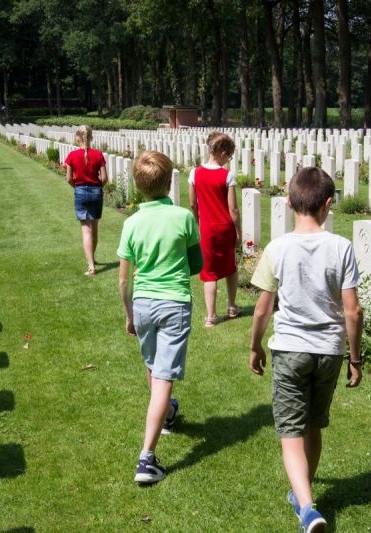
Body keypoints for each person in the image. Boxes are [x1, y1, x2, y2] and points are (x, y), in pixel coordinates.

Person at [248, 167, 364, 532]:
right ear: (328, 204)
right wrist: (355, 358)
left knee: (290, 431)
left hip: (290, 349)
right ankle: (302, 493)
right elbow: (353, 310)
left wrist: (254, 346)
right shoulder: (341, 247)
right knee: (313, 424)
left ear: (288, 203)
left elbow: (264, 307)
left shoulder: (277, 248)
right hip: (329, 350)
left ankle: (308, 508)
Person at [117, 151, 203, 485]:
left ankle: (166, 413)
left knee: (154, 366)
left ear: (138, 186)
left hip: (142, 303)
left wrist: (129, 315)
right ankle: (146, 459)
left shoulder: (131, 223)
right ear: (169, 182)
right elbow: (196, 265)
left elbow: (124, 280)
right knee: (164, 376)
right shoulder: (183, 217)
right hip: (174, 303)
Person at [188, 133, 241, 328]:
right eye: (230, 156)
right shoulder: (227, 176)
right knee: (230, 267)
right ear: (223, 153)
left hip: (207, 228)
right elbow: (233, 209)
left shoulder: (194, 173)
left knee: (209, 272)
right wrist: (239, 233)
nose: (229, 160)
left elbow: (193, 204)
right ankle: (232, 306)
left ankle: (211, 317)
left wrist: (197, 222)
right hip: (225, 227)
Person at [65, 125, 107, 276]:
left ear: (78, 138)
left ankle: (91, 266)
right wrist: (97, 187)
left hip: (80, 191)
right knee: (94, 228)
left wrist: (76, 187)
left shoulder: (72, 155)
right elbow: (104, 178)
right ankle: (92, 259)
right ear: (91, 137)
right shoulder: (99, 154)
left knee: (86, 230)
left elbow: (69, 178)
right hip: (96, 191)